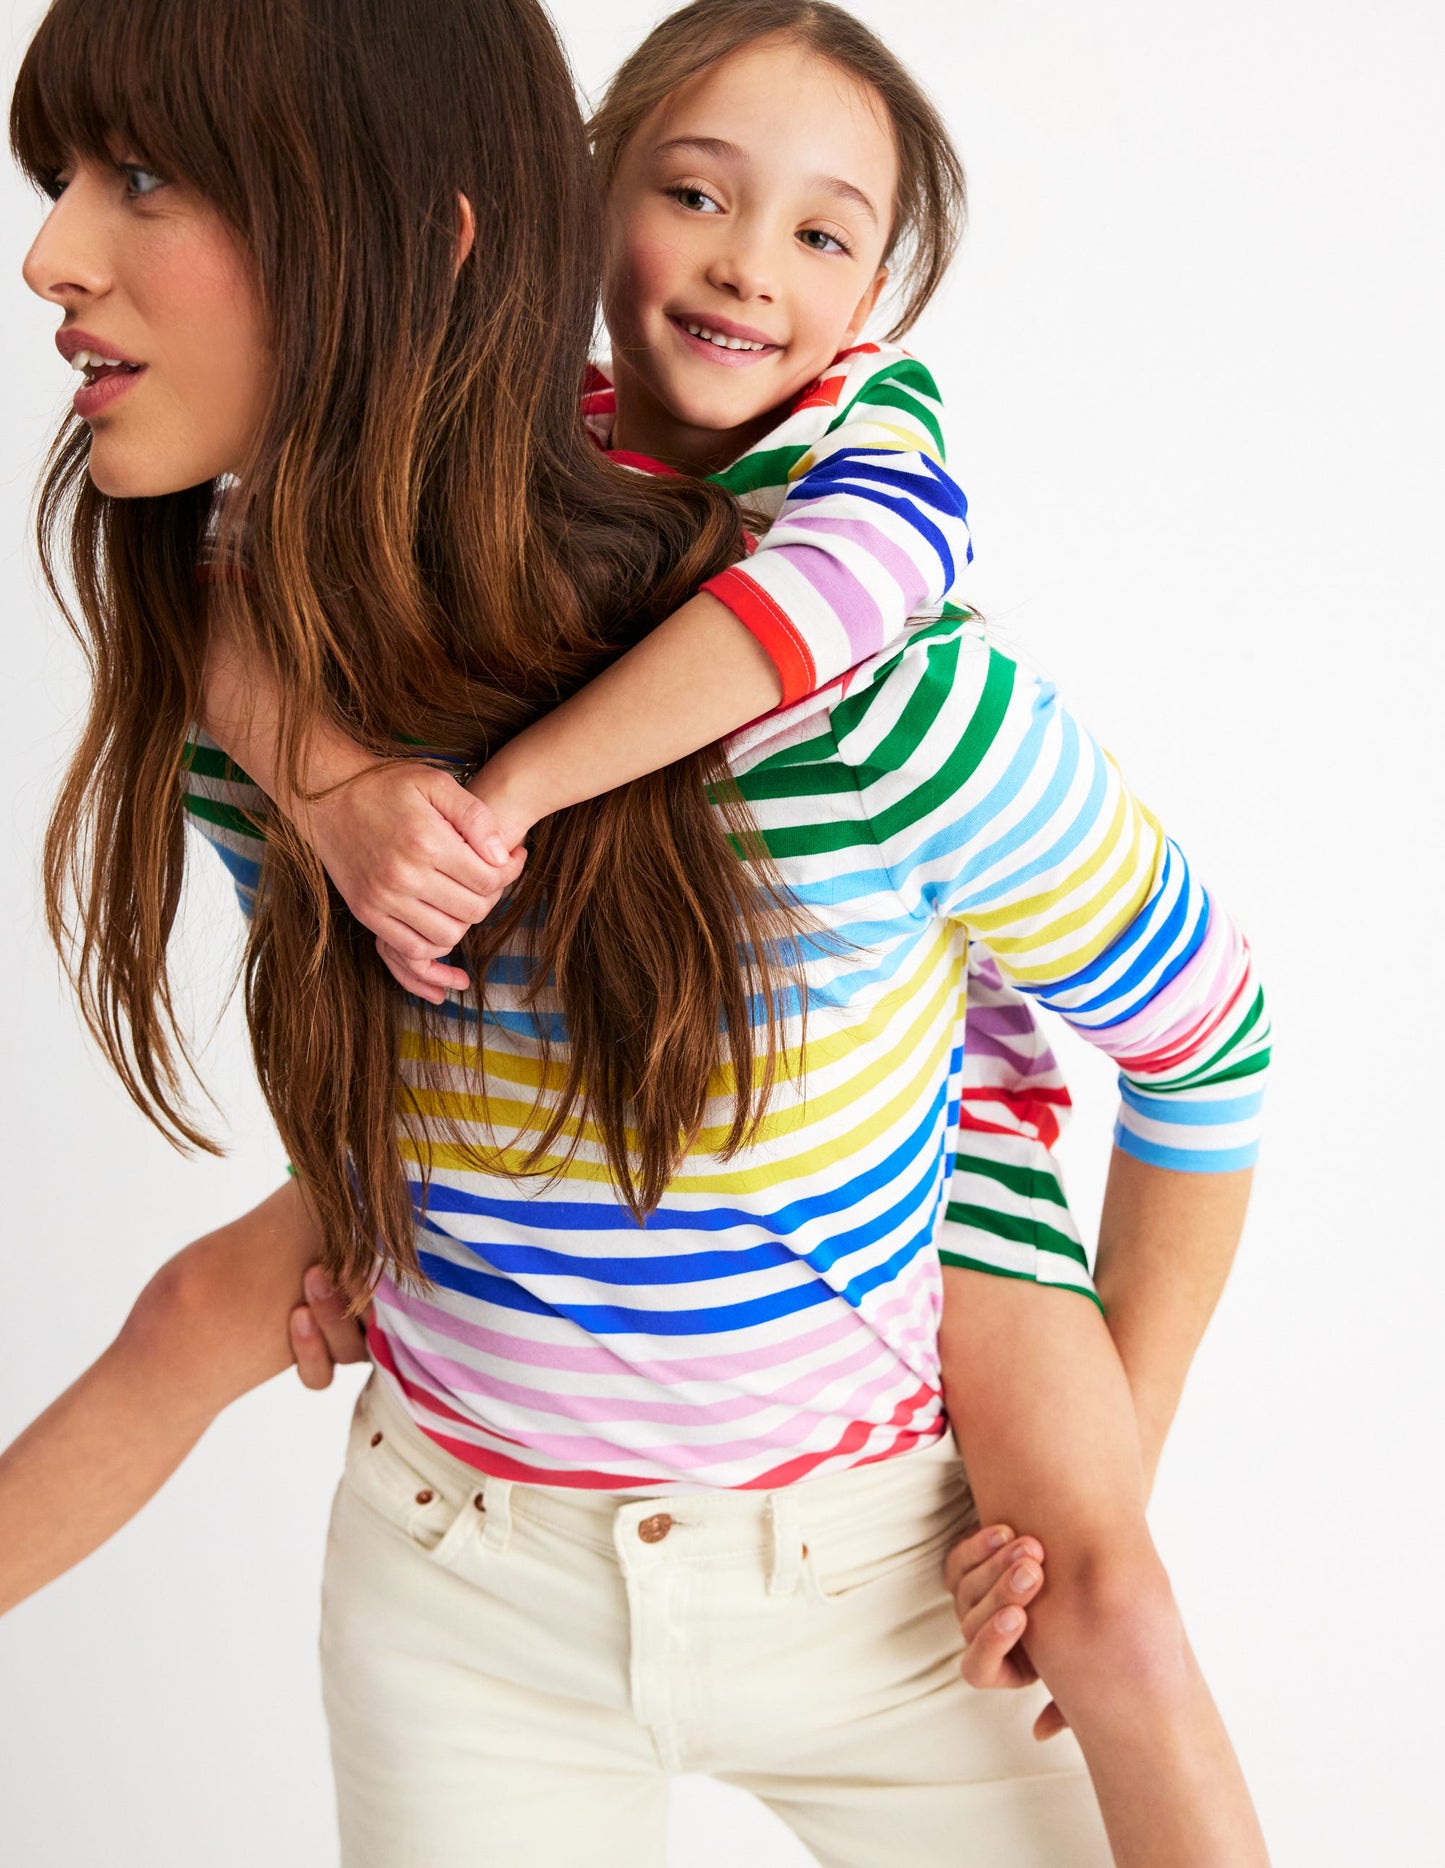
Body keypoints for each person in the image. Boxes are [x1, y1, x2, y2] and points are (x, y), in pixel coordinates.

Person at [6, 0, 1270, 1863]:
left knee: (1111, 1595)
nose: (49, 255)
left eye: (144, 177)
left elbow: (1209, 1043)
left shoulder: (883, 702)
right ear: (581, 217)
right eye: (687, 193)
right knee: (196, 1306)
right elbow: (234, 614)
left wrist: (1099, 1495)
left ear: (431, 239)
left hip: (903, 1592)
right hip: (463, 1590)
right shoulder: (251, 687)